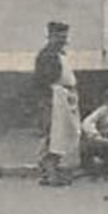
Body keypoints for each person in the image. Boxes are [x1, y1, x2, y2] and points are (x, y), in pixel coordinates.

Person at [32, 21, 79, 187]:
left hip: (63, 97)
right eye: (58, 37)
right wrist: (50, 96)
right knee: (53, 134)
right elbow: (42, 80)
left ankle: (51, 172)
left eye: (64, 37)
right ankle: (49, 173)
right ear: (50, 37)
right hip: (53, 98)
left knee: (62, 134)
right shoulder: (47, 56)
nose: (62, 40)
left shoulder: (60, 55)